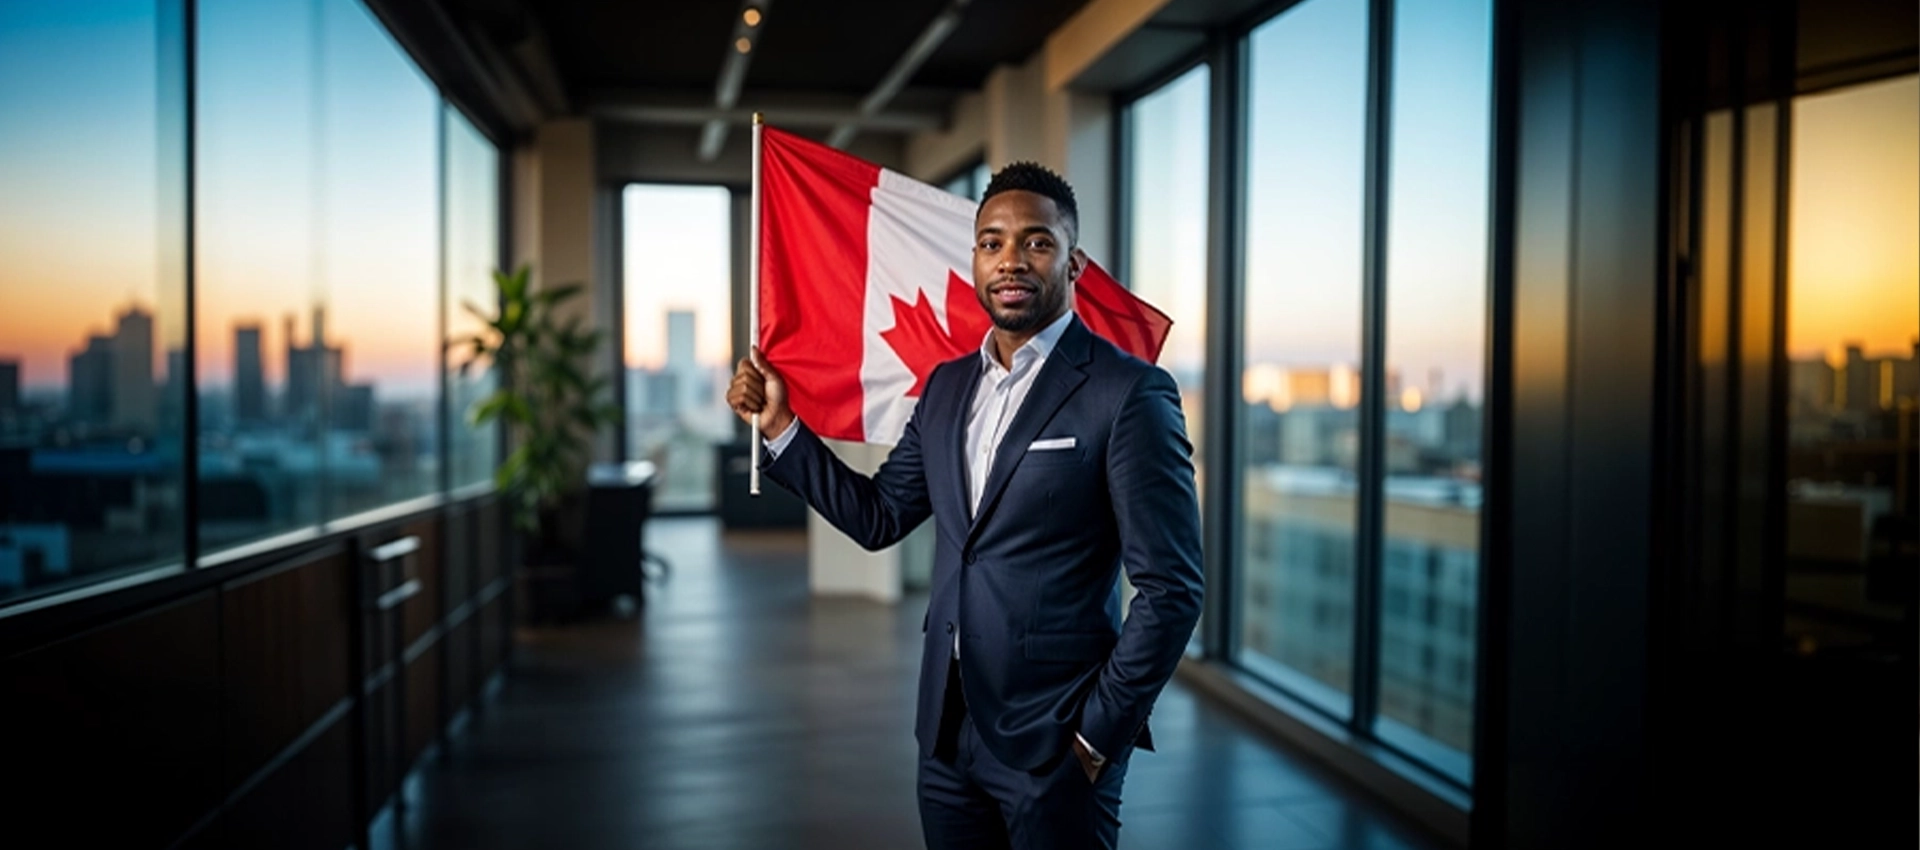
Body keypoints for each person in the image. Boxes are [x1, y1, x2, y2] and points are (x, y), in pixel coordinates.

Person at [726, 162, 1202, 850]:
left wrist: (1097, 739)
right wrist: (779, 428)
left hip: (1058, 741)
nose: (1011, 260)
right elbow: (879, 516)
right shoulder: (947, 387)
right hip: (945, 736)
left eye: (1037, 242)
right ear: (975, 259)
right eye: (992, 242)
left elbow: (1171, 590)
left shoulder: (1127, 393)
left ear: (1075, 265)